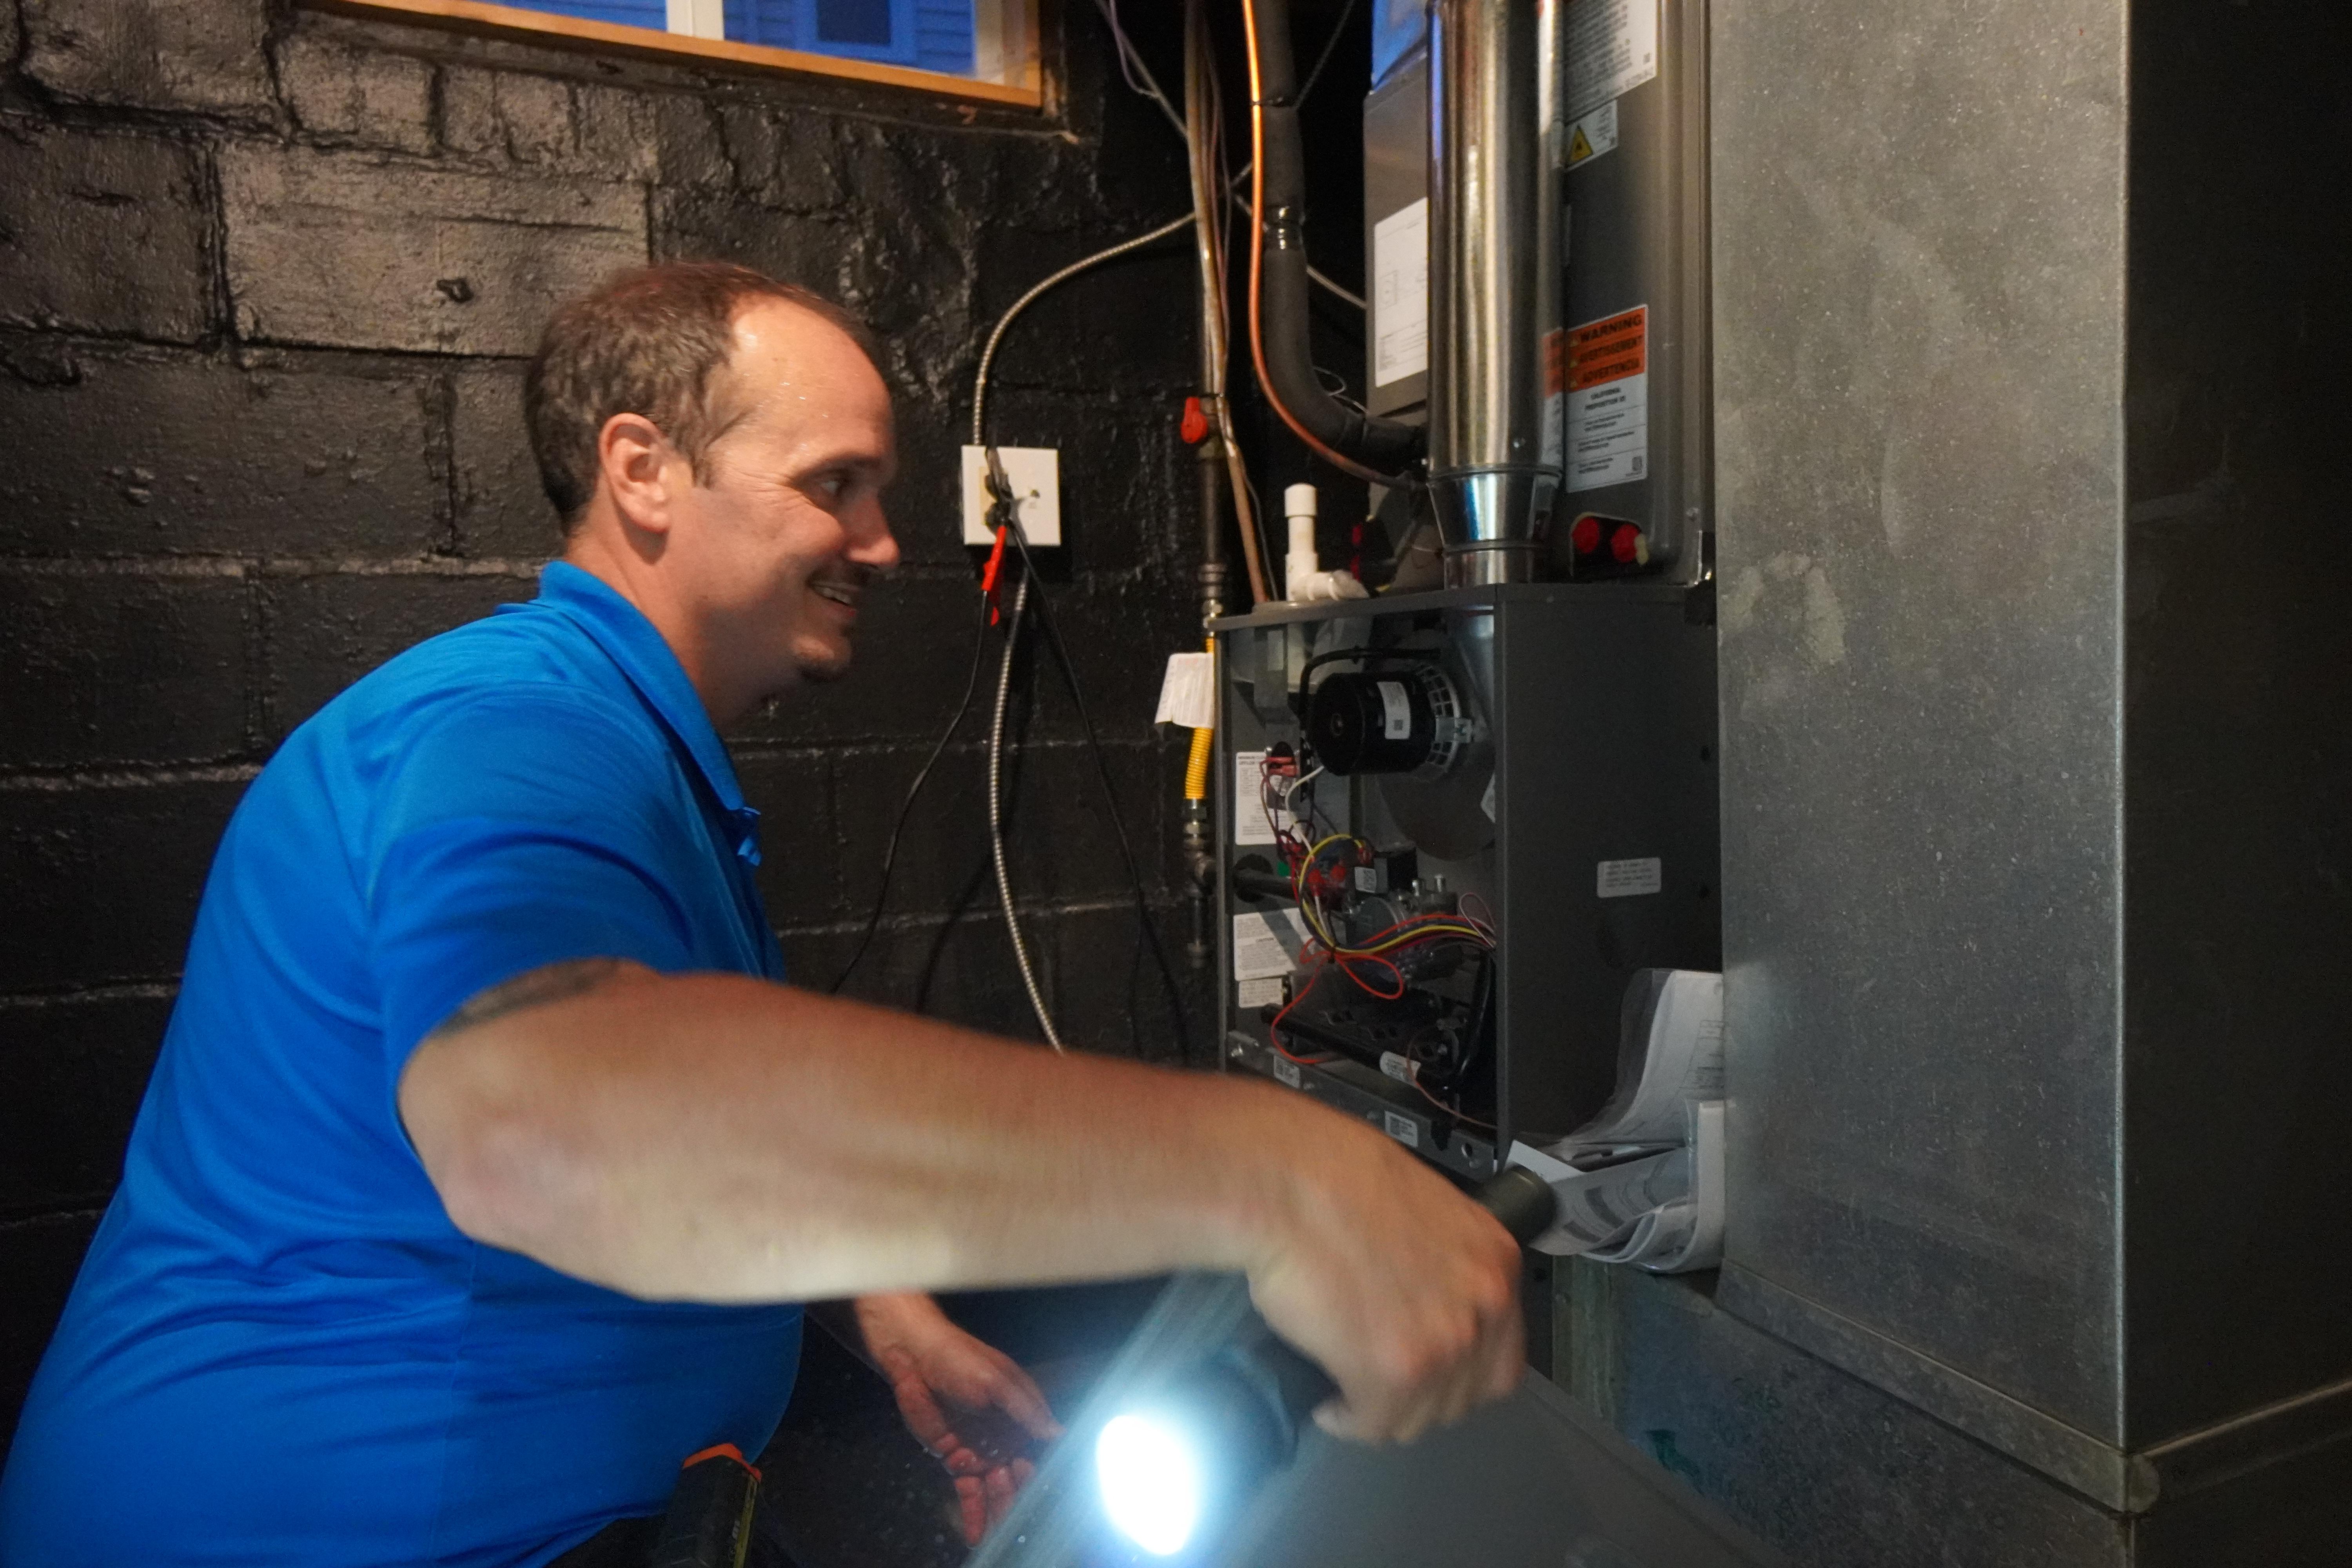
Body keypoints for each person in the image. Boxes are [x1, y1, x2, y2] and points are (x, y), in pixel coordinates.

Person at [0, 263, 1524, 1568]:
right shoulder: (510, 730)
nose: (883, 541)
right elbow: (547, 1126)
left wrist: (883, 1309)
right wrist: (1279, 1176)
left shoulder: (641, 757)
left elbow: (678, 1123)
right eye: (832, 485)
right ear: (642, 469)